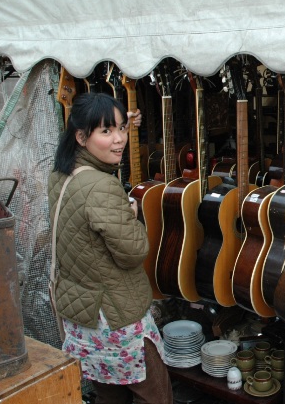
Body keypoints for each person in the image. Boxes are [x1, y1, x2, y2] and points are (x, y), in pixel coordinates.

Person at [48, 92, 172, 404]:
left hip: (82, 316)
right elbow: (133, 251)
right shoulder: (101, 187)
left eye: (120, 128)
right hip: (116, 316)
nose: (119, 139)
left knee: (109, 398)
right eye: (106, 131)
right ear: (80, 136)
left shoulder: (61, 174)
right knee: (155, 396)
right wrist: (132, 215)